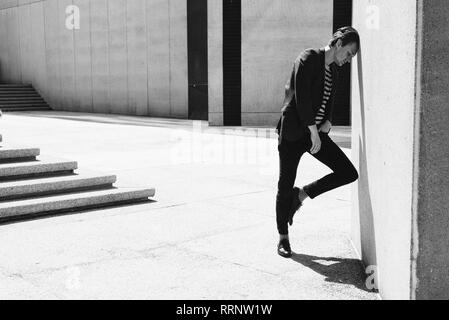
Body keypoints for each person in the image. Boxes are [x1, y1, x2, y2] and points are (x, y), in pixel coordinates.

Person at [275, 26, 360, 258]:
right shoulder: (308, 58)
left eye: (353, 57)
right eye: (349, 53)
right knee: (285, 183)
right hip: (294, 133)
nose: (349, 59)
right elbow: (301, 97)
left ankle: (301, 195)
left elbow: (328, 98)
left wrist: (328, 120)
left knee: (348, 172)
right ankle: (283, 237)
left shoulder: (335, 70)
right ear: (339, 44)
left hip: (314, 133)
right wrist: (313, 129)